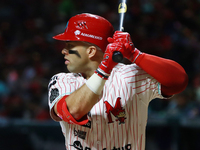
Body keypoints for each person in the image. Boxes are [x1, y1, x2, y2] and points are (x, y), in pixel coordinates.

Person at [48, 13, 188, 150]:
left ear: (91, 51)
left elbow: (179, 81)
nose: (64, 51)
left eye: (70, 46)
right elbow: (72, 111)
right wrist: (104, 69)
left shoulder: (130, 75)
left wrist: (134, 54)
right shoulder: (62, 80)